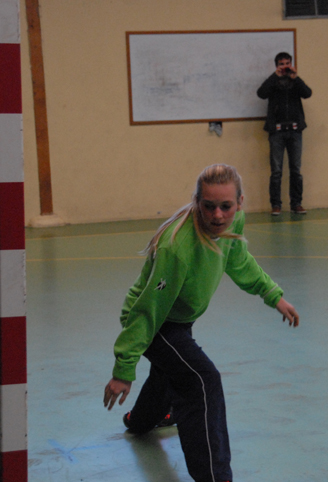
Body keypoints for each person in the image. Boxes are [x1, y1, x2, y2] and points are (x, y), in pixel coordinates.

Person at [103, 164, 300, 482]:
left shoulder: (232, 222)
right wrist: (123, 369)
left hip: (180, 318)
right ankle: (214, 475)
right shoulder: (177, 247)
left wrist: (272, 295)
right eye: (209, 206)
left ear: (240, 203)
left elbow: (239, 260)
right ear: (197, 202)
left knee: (171, 370)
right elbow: (148, 310)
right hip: (156, 322)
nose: (218, 216)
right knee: (201, 380)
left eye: (226, 206)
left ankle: (139, 421)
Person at [257, 52, 312, 216]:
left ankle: (296, 204)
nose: (285, 67)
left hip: (295, 131)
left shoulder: (295, 82)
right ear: (276, 66)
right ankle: (276, 205)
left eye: (287, 63)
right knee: (276, 171)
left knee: (296, 170)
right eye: (282, 64)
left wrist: (296, 78)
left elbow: (307, 93)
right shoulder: (273, 82)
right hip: (277, 132)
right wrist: (275, 76)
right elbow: (261, 93)